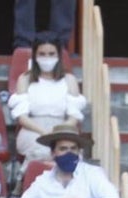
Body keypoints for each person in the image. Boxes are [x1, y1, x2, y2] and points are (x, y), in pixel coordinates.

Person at [0, 123, 120, 198]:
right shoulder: (43, 181)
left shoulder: (93, 174)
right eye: (63, 149)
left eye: (73, 149)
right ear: (53, 153)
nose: (69, 153)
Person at [9, 37, 87, 166]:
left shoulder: (69, 79)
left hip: (63, 127)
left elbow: (74, 117)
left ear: (58, 56)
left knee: (67, 152)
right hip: (32, 128)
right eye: (42, 54)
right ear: (35, 56)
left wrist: (58, 132)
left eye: (51, 54)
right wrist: (44, 133)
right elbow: (22, 118)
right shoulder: (25, 79)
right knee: (43, 152)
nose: (47, 58)